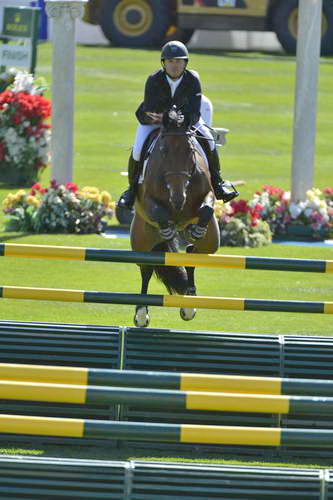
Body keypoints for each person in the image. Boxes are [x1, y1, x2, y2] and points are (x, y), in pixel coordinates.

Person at [118, 40, 238, 209]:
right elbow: (151, 107)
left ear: (185, 63)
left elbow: (195, 111)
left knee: (209, 140)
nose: (174, 66)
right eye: (170, 61)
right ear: (164, 63)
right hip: (155, 123)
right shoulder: (154, 79)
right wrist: (166, 116)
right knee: (138, 149)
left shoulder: (192, 79)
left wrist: (175, 118)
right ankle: (131, 190)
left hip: (187, 123)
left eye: (179, 61)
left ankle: (218, 183)